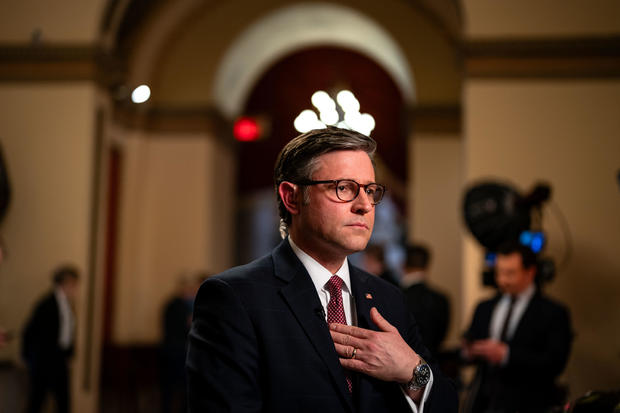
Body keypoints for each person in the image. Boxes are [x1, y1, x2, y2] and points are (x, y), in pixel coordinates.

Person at [187, 126, 457, 412]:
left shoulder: (389, 299)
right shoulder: (234, 298)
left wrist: (411, 370)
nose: (365, 205)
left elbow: (447, 405)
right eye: (344, 188)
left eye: (370, 190)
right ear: (292, 197)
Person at [462, 242, 573, 413]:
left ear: (530, 272)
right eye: (499, 272)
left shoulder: (553, 312)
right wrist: (470, 351)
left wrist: (507, 355)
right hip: (485, 403)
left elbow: (555, 363)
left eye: (510, 273)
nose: (502, 280)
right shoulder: (484, 307)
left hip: (530, 403)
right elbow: (471, 344)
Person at [22, 265, 79, 413]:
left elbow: (67, 331)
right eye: (73, 284)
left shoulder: (67, 303)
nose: (75, 288)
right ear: (64, 283)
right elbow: (29, 332)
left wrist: (69, 353)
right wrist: (29, 359)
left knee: (63, 402)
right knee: (37, 401)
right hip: (44, 361)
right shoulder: (47, 304)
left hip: (59, 360)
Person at [160, 273, 205, 413]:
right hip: (177, 352)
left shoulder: (177, 304)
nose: (192, 291)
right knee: (174, 390)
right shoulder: (177, 305)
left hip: (176, 352)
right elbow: (187, 325)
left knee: (176, 391)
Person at [401, 244, 450, 357]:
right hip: (433, 365)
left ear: (403, 265)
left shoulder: (395, 297)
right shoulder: (442, 299)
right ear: (427, 266)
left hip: (402, 367)